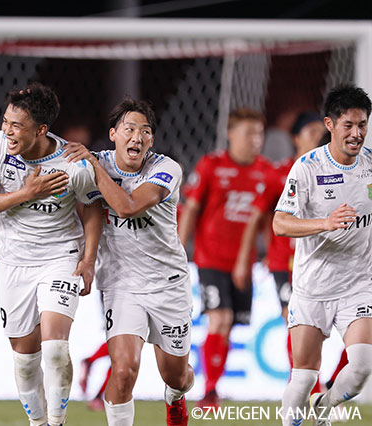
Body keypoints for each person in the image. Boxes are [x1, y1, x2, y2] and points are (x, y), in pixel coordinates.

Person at [0, 82, 103, 426]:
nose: (8, 131)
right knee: (25, 361)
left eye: (17, 126)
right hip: (13, 261)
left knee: (56, 349)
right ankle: (39, 422)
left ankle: (57, 422)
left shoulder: (72, 164)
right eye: (6, 122)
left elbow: (92, 209)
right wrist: (27, 193)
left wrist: (88, 260)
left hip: (60, 256)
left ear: (41, 130)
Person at [64, 97, 194, 426]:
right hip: (121, 283)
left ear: (151, 140)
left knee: (177, 376)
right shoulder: (95, 164)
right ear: (113, 134)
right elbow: (90, 207)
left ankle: (176, 397)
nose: (137, 137)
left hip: (168, 285)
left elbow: (128, 206)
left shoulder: (166, 169)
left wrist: (95, 168)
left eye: (145, 131)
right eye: (130, 129)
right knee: (122, 372)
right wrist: (88, 260)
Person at [274, 85, 372, 426]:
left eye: (362, 125)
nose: (356, 133)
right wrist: (325, 223)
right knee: (303, 377)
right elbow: (280, 224)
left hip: (358, 285)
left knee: (361, 368)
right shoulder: (306, 168)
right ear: (330, 124)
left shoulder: (371, 165)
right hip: (312, 287)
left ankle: (324, 406)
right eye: (349, 125)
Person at [178, 107, 273, 408]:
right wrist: (178, 250)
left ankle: (213, 387)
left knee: (229, 326)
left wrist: (271, 252)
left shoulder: (266, 171)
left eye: (259, 133)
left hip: (243, 264)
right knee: (220, 319)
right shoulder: (212, 165)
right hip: (210, 259)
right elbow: (191, 208)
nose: (255, 139)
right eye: (249, 133)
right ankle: (208, 390)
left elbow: (269, 217)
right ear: (231, 134)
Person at [233, 111, 325, 385]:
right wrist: (248, 257)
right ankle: (304, 385)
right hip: (285, 262)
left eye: (321, 132)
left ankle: (324, 383)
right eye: (311, 132)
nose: (319, 137)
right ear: (296, 138)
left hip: (320, 260)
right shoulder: (279, 174)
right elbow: (258, 215)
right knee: (294, 320)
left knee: (322, 326)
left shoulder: (330, 172)